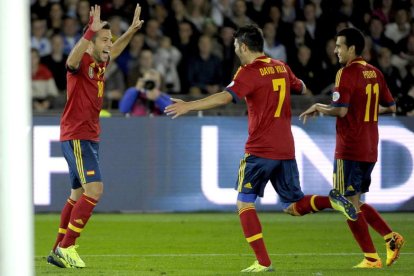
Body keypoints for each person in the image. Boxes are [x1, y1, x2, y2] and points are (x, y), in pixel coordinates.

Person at [165, 24, 357, 273]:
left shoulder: (247, 72)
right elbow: (301, 88)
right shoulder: (280, 66)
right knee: (294, 206)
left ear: (244, 46)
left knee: (244, 203)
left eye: (235, 46)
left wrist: (189, 106)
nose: (234, 50)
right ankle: (332, 201)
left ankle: (263, 262)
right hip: (285, 148)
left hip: (259, 149)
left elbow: (226, 97)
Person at [46, 4, 144, 269]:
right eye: (104, 40)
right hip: (77, 135)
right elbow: (71, 60)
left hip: (88, 136)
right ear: (90, 41)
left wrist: (132, 31)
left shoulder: (100, 63)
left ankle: (57, 248)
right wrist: (90, 32)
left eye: (109, 40)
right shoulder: (81, 61)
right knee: (95, 190)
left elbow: (117, 49)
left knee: (77, 194)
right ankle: (68, 246)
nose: (109, 45)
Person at [299, 27, 405, 269]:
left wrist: (319, 105)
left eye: (339, 46)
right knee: (354, 203)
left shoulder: (344, 73)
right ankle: (388, 241)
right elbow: (391, 107)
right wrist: (363, 110)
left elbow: (341, 110)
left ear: (351, 49)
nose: (335, 50)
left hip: (350, 148)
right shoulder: (375, 73)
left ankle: (373, 255)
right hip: (369, 148)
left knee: (344, 201)